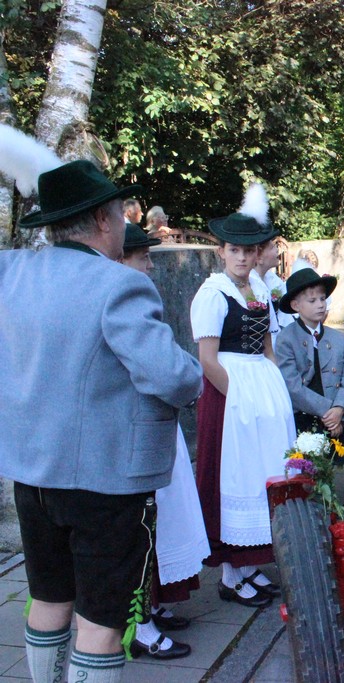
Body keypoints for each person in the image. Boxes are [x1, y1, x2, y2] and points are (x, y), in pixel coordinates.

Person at [0, 130, 203, 683]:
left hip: (32, 475)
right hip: (107, 481)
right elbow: (170, 376)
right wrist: (193, 376)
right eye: (119, 213)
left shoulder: (9, 272)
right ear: (100, 221)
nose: (123, 223)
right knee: (101, 623)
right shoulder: (120, 286)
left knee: (48, 599)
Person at [191, 183, 295, 609]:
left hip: (259, 388)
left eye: (250, 251)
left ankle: (249, 565)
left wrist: (274, 389)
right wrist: (239, 398)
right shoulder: (212, 294)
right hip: (228, 392)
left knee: (260, 472)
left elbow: (268, 346)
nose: (242, 257)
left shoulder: (257, 290)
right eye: (235, 250)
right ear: (221, 251)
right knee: (231, 474)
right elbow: (207, 359)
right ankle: (231, 573)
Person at [119, 224, 209, 660]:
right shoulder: (121, 299)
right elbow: (165, 370)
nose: (151, 266)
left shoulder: (130, 297)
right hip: (130, 433)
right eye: (143, 258)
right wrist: (188, 384)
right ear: (121, 259)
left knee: (162, 522)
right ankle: (137, 624)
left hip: (152, 425)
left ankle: (150, 606)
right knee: (139, 528)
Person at [276, 268, 344, 438]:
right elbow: (292, 386)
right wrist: (329, 412)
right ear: (296, 305)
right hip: (302, 421)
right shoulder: (286, 339)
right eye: (312, 300)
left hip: (335, 423)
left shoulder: (338, 339)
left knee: (334, 463)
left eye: (322, 298)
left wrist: (340, 409)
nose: (320, 304)